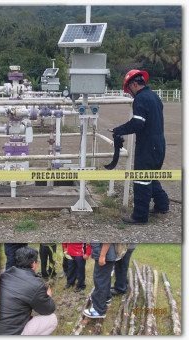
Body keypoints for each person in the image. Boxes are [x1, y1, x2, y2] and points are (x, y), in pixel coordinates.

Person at [112, 70, 170, 224]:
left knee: (141, 180)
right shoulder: (154, 96)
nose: (130, 94)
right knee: (151, 176)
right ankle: (162, 205)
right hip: (159, 143)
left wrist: (120, 130)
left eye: (129, 90)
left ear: (134, 84)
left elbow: (138, 123)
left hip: (148, 145)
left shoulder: (141, 98)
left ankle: (139, 216)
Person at [0, 246, 57, 335]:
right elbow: (48, 310)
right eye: (37, 262)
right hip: (8, 333)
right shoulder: (35, 284)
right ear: (33, 263)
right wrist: (48, 297)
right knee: (52, 319)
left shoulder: (5, 274)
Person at [84, 243, 117, 318]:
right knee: (105, 278)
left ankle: (99, 310)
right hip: (105, 254)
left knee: (100, 281)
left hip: (104, 255)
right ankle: (107, 298)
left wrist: (102, 256)